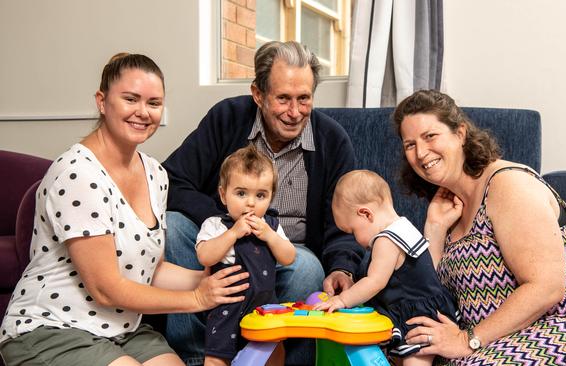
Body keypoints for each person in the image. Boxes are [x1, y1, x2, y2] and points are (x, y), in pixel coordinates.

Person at [0, 53, 249, 366]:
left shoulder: (156, 174)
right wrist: (197, 299)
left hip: (123, 328)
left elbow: (152, 270)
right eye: (130, 99)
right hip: (52, 328)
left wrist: (215, 280)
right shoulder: (78, 174)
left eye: (154, 103)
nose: (143, 112)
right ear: (102, 102)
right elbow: (106, 288)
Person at [391, 90, 566, 365]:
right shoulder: (447, 209)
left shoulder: (507, 185)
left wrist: (466, 340)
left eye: (430, 136)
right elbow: (428, 293)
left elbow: (547, 287)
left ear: (460, 134)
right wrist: (434, 228)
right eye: (410, 145)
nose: (421, 153)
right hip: (494, 339)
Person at [162, 40, 363, 365]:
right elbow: (173, 180)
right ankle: (196, 357)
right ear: (258, 94)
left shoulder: (332, 140)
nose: (294, 112)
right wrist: (227, 223)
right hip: (222, 244)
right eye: (283, 98)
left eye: (304, 99)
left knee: (308, 268)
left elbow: (345, 220)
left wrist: (343, 266)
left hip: (285, 253)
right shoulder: (227, 117)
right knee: (173, 226)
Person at [314, 170, 459, 365]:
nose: (355, 239)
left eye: (352, 231)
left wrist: (342, 300)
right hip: (419, 306)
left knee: (414, 360)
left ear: (366, 214)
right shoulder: (403, 226)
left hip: (418, 316)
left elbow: (375, 282)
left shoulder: (386, 240)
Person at [196, 144, 295, 366]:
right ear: (223, 195)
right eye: (241, 193)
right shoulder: (216, 225)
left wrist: (270, 236)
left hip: (264, 305)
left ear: (270, 198)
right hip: (226, 306)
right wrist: (233, 233)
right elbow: (205, 257)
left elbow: (289, 257)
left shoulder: (271, 226)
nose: (250, 202)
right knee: (216, 356)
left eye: (260, 195)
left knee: (274, 351)